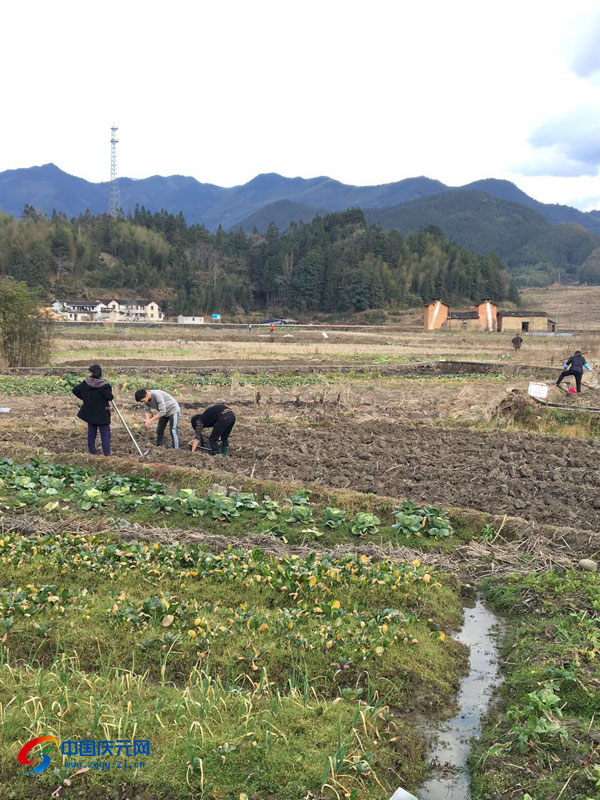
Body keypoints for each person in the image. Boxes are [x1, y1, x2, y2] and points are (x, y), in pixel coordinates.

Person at [72, 364, 113, 456]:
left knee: (91, 433)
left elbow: (75, 390)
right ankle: (107, 453)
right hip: (102, 413)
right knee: (105, 434)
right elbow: (110, 397)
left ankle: (92, 451)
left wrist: (85, 398)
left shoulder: (86, 383)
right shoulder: (104, 385)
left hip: (90, 412)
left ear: (91, 373)